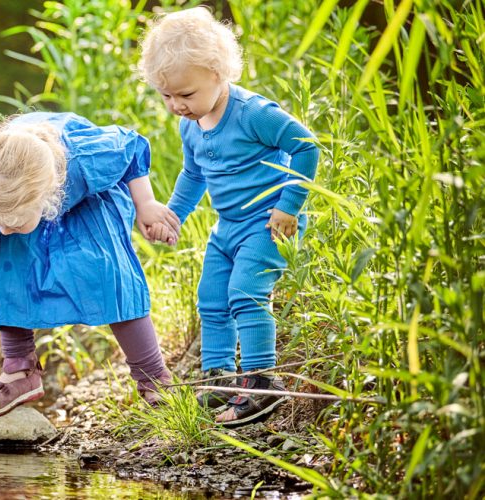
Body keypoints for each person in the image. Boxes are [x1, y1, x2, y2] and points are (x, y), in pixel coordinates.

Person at [0, 112, 178, 418]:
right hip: (19, 184)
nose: (1, 229)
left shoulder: (83, 159)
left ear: (47, 198)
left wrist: (145, 204)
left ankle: (153, 376)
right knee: (4, 259)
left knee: (107, 269)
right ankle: (19, 369)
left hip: (85, 199)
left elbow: (131, 147)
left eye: (11, 222)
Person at [138, 7, 320, 426]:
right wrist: (174, 214)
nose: (176, 106)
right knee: (212, 299)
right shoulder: (192, 124)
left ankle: (261, 383)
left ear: (219, 73)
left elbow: (307, 146)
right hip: (227, 229)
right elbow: (194, 172)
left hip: (268, 223)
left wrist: (289, 206)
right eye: (166, 96)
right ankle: (218, 380)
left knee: (245, 293)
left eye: (185, 94)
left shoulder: (253, 113)